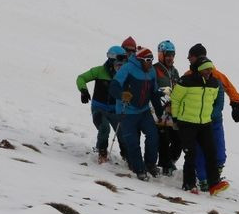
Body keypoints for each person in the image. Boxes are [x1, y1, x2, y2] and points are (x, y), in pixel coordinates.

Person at [185, 43, 239, 188]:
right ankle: (203, 178)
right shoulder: (189, 75)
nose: (188, 59)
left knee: (218, 151)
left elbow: (230, 89)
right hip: (197, 120)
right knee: (200, 150)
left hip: (215, 120)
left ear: (198, 56)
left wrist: (235, 105)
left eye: (190, 57)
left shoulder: (216, 75)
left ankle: (215, 173)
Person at [172, 55, 229, 196]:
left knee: (211, 152)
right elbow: (175, 99)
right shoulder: (186, 81)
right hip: (187, 123)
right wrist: (175, 118)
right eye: (205, 69)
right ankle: (189, 184)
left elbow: (213, 100)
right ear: (198, 70)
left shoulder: (214, 83)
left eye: (210, 69)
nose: (209, 72)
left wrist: (208, 115)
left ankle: (214, 183)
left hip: (205, 123)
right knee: (191, 153)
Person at [112, 46, 164, 180]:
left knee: (153, 136)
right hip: (126, 111)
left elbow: (154, 93)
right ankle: (139, 169)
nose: (150, 63)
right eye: (148, 60)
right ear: (140, 60)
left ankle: (150, 164)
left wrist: (160, 113)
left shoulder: (151, 71)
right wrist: (122, 95)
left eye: (152, 60)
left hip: (143, 111)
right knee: (133, 142)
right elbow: (114, 86)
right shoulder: (128, 68)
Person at [76, 46, 129, 163]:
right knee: (104, 128)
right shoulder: (99, 71)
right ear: (111, 60)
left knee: (123, 132)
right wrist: (83, 90)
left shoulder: (124, 74)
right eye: (118, 61)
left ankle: (127, 155)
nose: (121, 65)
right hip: (98, 108)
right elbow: (81, 78)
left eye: (124, 61)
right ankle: (102, 151)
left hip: (115, 110)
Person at [153, 40, 183, 176]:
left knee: (178, 139)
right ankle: (165, 164)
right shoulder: (155, 69)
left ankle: (169, 161)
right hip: (158, 109)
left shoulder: (174, 71)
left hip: (173, 110)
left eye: (172, 55)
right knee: (163, 138)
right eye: (168, 55)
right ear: (161, 55)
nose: (171, 58)